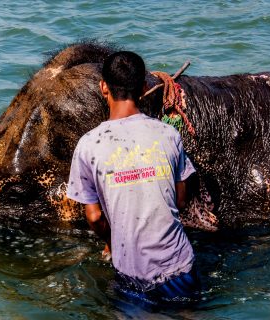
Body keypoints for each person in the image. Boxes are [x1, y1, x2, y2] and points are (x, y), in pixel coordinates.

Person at [66, 51, 201, 310]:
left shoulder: (88, 145)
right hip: (180, 265)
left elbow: (94, 217)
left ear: (103, 87)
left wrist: (111, 243)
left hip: (134, 274)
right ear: (143, 87)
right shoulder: (168, 134)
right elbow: (181, 200)